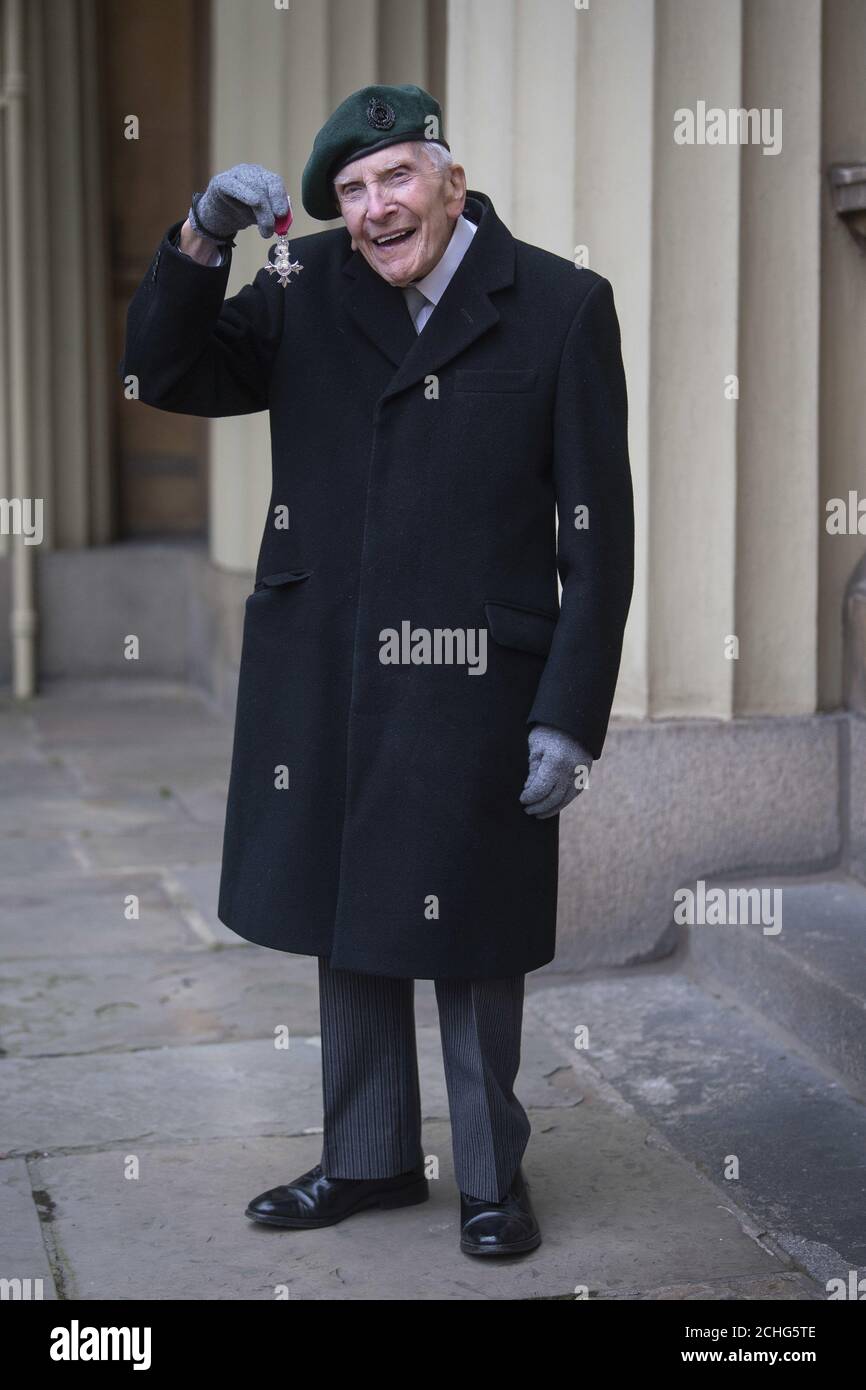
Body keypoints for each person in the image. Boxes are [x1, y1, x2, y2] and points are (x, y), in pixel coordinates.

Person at [119, 83, 634, 1259]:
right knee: (342, 906)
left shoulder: (559, 304)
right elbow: (162, 373)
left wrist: (570, 714)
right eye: (348, 192)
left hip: (477, 674)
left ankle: (493, 1180)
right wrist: (200, 236)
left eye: (393, 177)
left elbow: (597, 540)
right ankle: (365, 1157)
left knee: (470, 929)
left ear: (450, 181)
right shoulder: (303, 293)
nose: (371, 208)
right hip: (328, 661)